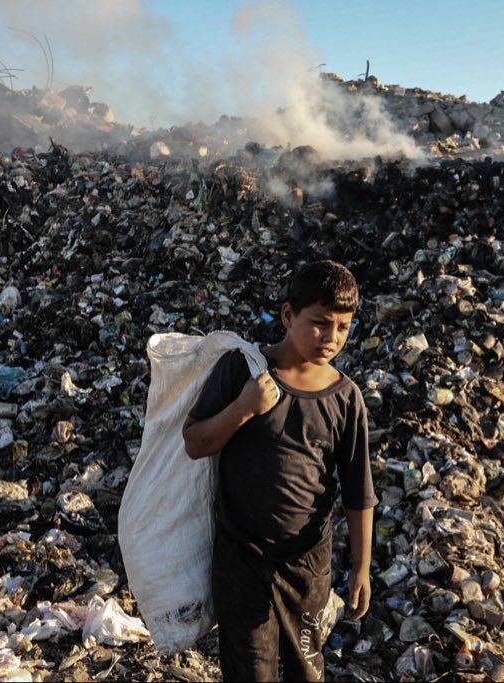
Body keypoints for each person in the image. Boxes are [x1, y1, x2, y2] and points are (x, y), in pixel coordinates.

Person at [182, 260, 377, 682]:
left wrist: (361, 565)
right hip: (241, 561)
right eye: (320, 324)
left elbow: (359, 491)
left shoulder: (346, 398)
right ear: (288, 315)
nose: (331, 338)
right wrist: (243, 408)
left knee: (308, 671)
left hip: (307, 567)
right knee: (250, 673)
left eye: (343, 328)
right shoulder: (243, 369)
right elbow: (194, 442)